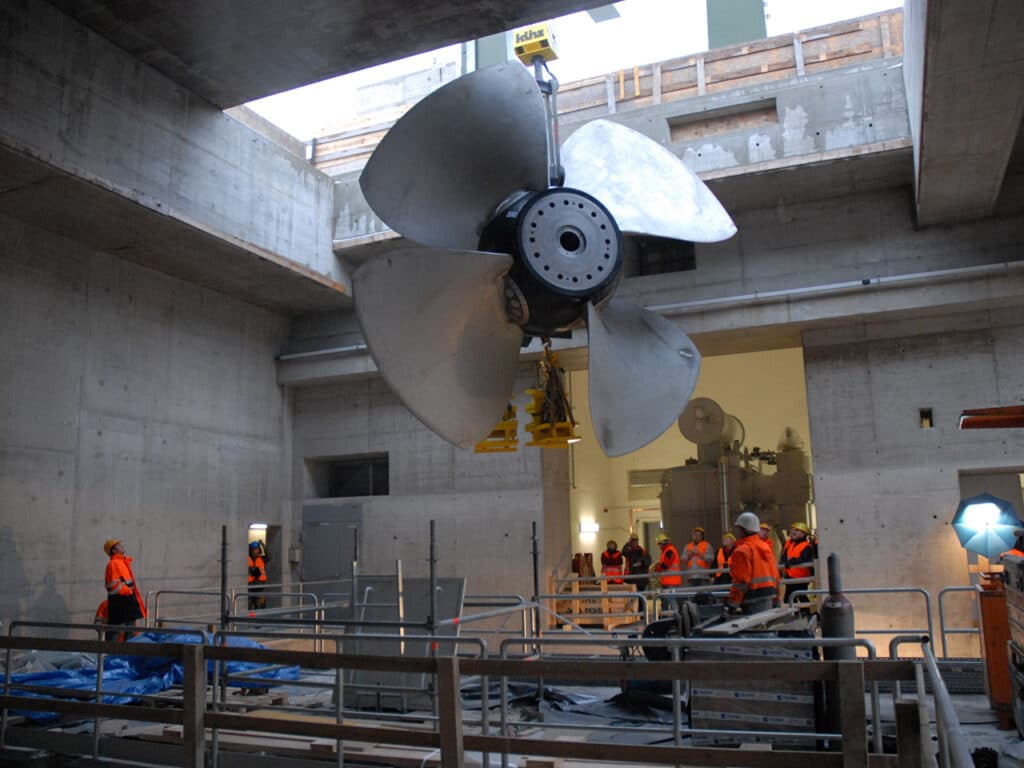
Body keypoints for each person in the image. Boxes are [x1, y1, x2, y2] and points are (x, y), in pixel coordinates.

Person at [724, 512, 780, 616]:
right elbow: (775, 576)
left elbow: (741, 581)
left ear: (743, 529)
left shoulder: (742, 550)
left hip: (752, 599)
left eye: (738, 528)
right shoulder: (766, 547)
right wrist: (777, 600)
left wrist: (733, 604)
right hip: (769, 597)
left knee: (755, 630)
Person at [103, 539, 146, 636]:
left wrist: (130, 592)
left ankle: (127, 650)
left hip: (127, 601)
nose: (122, 546)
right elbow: (112, 586)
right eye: (118, 545)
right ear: (113, 550)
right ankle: (109, 650)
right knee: (114, 632)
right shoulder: (113, 564)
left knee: (130, 631)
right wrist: (129, 591)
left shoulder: (122, 562)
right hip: (119, 602)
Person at [780, 521, 815, 601]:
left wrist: (791, 561)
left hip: (801, 578)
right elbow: (784, 557)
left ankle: (805, 613)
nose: (793, 532)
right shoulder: (791, 545)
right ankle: (795, 613)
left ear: (804, 534)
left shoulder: (806, 546)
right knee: (789, 598)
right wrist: (783, 562)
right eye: (793, 530)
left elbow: (803, 559)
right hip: (790, 577)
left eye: (796, 531)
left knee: (802, 597)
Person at [652, 533, 682, 614]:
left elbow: (665, 565)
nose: (659, 547)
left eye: (659, 544)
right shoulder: (667, 551)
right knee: (666, 601)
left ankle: (677, 619)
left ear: (662, 543)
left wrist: (656, 568)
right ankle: (666, 618)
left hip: (671, 582)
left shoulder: (669, 551)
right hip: (668, 581)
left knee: (672, 602)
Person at [248, 540, 268, 610]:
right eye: (253, 550)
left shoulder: (262, 558)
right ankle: (251, 618)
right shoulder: (247, 559)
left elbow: (268, 555)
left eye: (256, 549)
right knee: (249, 605)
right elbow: (252, 571)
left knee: (258, 604)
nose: (255, 551)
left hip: (260, 586)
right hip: (250, 586)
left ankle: (257, 619)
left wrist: (262, 545)